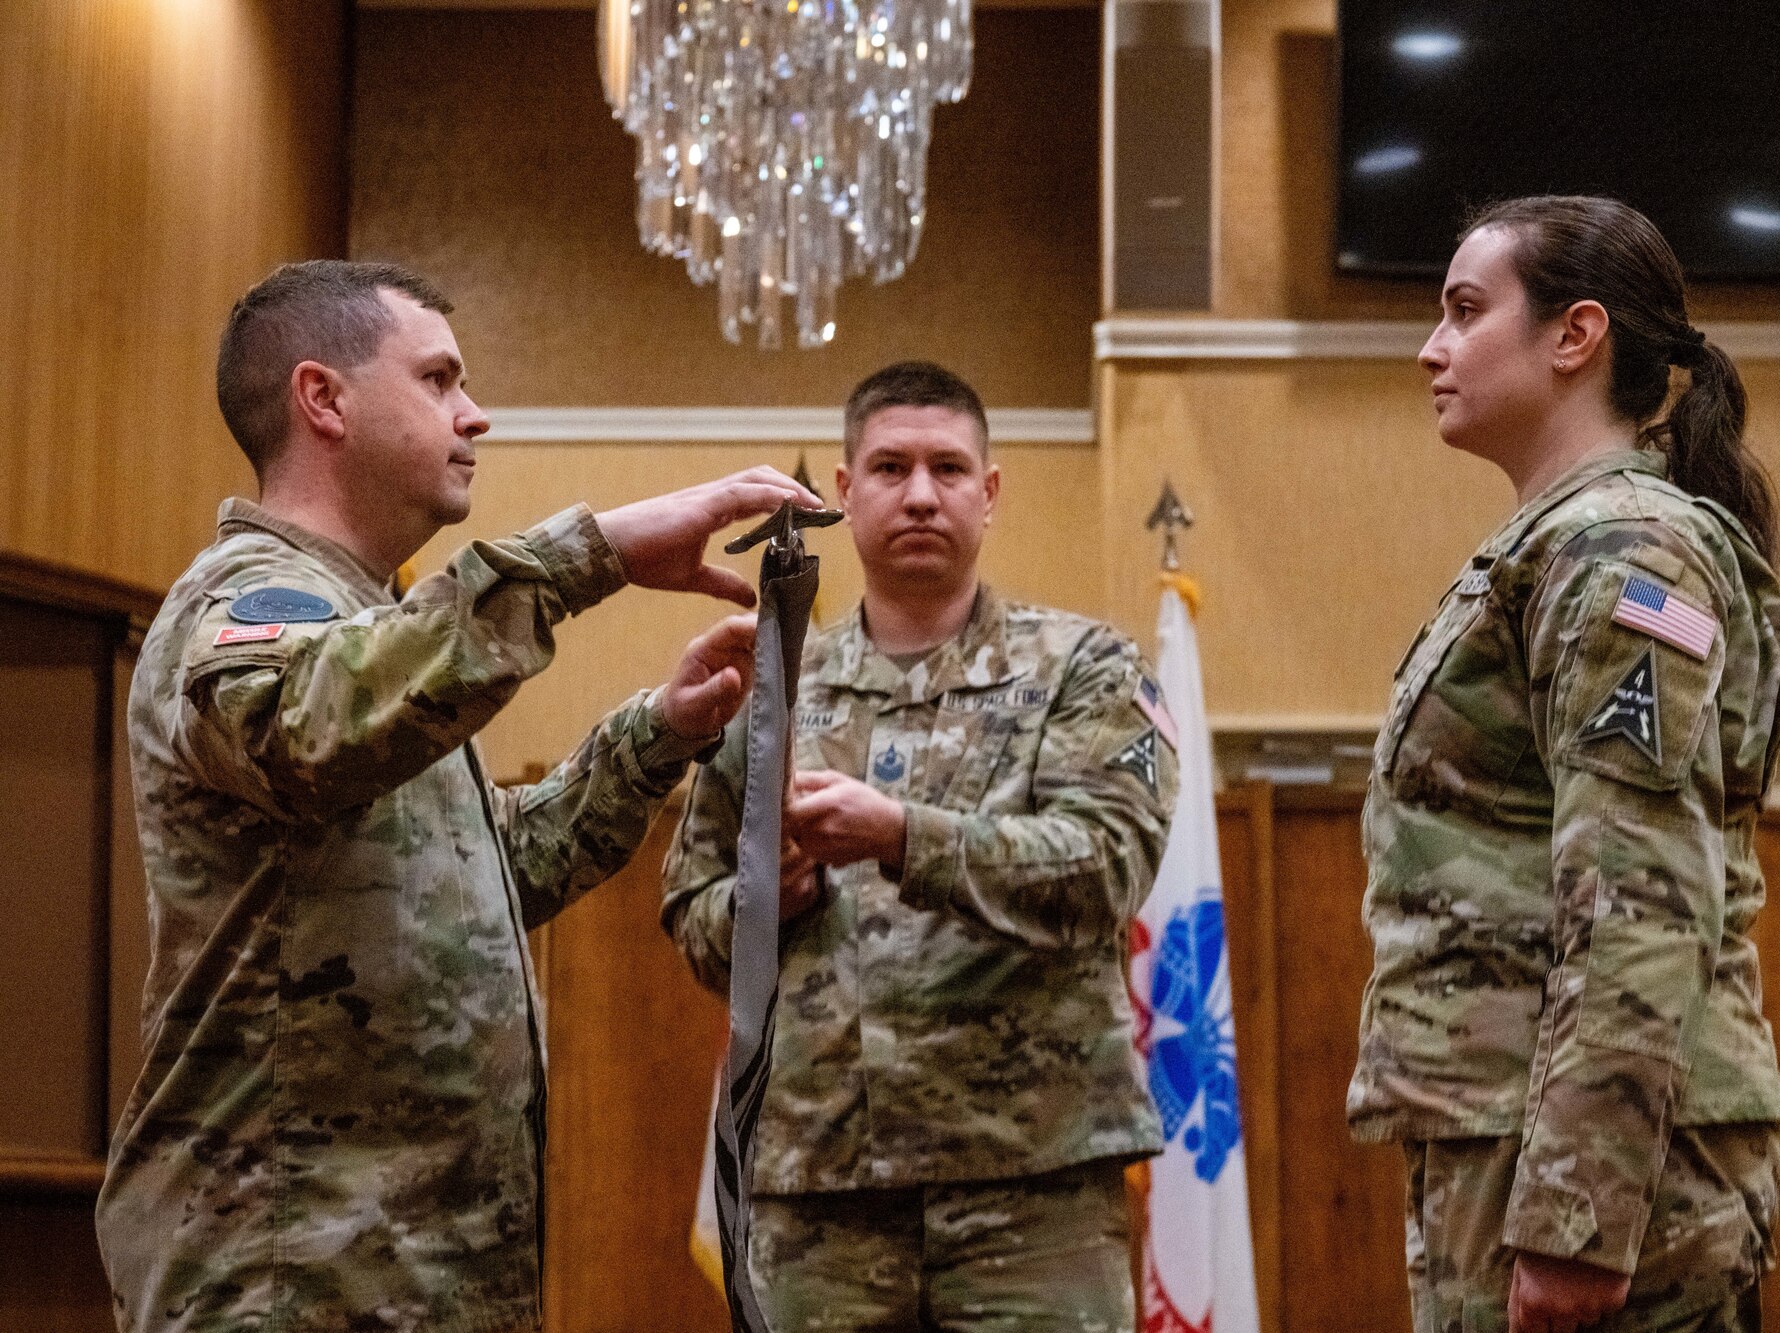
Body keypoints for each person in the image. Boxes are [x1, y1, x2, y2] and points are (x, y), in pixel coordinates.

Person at [96, 259, 821, 1333]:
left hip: (414, 1270)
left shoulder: (373, 625)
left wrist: (658, 731)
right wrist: (596, 551)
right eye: (438, 379)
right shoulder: (249, 600)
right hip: (289, 1272)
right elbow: (308, 727)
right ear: (323, 399)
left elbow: (490, 874)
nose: (473, 413)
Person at [1346, 197, 1780, 1333]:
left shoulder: (1623, 552)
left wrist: (1576, 1218)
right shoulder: (1558, 542)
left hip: (1594, 1178)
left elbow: (1641, 898)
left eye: (1462, 310)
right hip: (1518, 1140)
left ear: (1573, 335)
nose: (1429, 347)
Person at [663, 361, 1177, 1331]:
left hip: (1032, 1182)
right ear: (843, 493)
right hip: (817, 1182)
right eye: (890, 467)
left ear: (988, 493)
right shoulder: (768, 689)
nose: (919, 493)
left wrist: (902, 836)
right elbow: (693, 922)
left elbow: (1106, 866)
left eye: (947, 469)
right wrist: (767, 896)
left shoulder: (1087, 666)